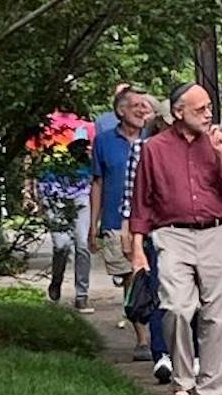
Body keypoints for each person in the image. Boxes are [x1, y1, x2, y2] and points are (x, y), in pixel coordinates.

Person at [130, 82, 222, 395]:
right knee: (177, 307)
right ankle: (183, 383)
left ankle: (212, 392)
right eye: (200, 109)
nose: (209, 114)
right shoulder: (154, 148)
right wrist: (136, 247)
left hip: (217, 232)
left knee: (220, 316)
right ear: (178, 112)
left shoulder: (217, 142)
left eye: (209, 107)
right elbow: (141, 201)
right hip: (171, 233)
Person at [90, 86, 153, 360]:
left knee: (158, 275)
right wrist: (94, 226)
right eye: (136, 105)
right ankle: (143, 338)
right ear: (121, 111)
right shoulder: (104, 141)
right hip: (117, 221)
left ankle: (162, 334)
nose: (142, 110)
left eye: (145, 105)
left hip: (154, 220)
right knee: (132, 277)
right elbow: (98, 183)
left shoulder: (155, 139)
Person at [122, 98, 177, 384]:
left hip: (189, 232)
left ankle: (187, 354)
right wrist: (130, 235)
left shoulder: (194, 148)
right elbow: (132, 195)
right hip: (156, 232)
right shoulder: (142, 149)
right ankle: (161, 353)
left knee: (187, 299)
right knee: (158, 293)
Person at [30, 117, 95, 313]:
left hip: (81, 190)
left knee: (82, 244)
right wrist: (31, 190)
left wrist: (86, 155)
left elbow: (96, 159)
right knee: (61, 244)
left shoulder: (88, 127)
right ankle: (56, 282)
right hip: (53, 191)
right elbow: (34, 157)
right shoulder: (45, 124)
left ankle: (81, 295)